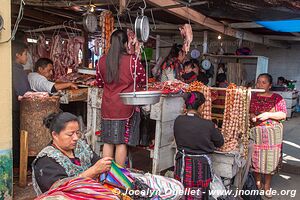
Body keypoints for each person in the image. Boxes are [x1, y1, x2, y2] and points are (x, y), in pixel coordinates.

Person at [96, 29, 146, 167]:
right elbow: (142, 80)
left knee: (108, 141)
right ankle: (118, 177)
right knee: (121, 142)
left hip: (107, 105)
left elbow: (99, 83)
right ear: (125, 43)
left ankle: (105, 174)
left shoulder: (101, 61)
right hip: (125, 106)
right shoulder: (132, 60)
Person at [32, 112, 113, 195]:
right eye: (70, 134)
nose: (76, 138)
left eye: (77, 133)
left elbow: (97, 163)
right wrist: (93, 171)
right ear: (55, 135)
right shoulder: (46, 160)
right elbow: (60, 189)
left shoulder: (81, 147)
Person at [173, 91, 224, 200]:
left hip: (182, 164)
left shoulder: (178, 120)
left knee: (181, 193)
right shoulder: (208, 125)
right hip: (200, 168)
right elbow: (220, 142)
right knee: (198, 196)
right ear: (201, 107)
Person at [250, 73, 287, 198]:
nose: (260, 84)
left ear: (270, 85)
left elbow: (283, 115)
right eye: (258, 82)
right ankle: (257, 182)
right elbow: (249, 111)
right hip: (256, 133)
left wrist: (268, 115)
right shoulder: (253, 97)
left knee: (270, 160)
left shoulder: (277, 97)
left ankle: (267, 186)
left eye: (264, 82)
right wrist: (252, 116)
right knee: (256, 159)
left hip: (272, 134)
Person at [12, 41, 31, 168]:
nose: (27, 57)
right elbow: (23, 93)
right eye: (25, 54)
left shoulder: (15, 69)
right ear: (18, 55)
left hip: (13, 109)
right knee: (17, 137)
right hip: (16, 109)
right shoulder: (17, 71)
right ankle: (19, 164)